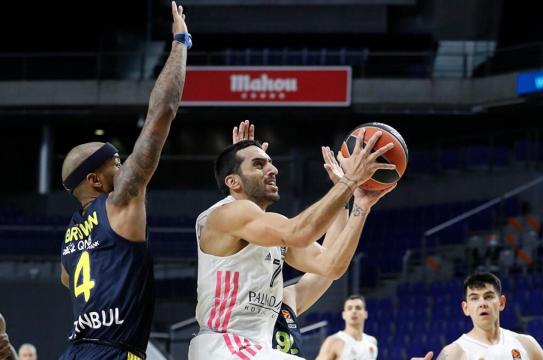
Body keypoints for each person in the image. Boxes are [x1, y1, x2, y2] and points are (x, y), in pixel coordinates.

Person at [188, 121, 395, 359]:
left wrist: (359, 205)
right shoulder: (227, 214)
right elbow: (300, 231)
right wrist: (349, 181)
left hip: (255, 348)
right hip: (224, 345)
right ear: (233, 182)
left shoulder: (270, 231)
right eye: (259, 164)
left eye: (270, 162)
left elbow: (330, 265)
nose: (273, 169)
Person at [57, 3, 189, 359]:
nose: (124, 165)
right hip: (114, 352)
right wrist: (181, 42)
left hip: (74, 350)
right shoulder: (118, 202)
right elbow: (162, 112)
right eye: (117, 162)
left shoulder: (70, 236)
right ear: (95, 180)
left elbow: (67, 280)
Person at [435, 272, 543, 360]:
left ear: (501, 302)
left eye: (488, 296)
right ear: (466, 308)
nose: (482, 304)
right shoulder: (453, 354)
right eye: (474, 298)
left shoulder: (527, 344)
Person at [315, 295, 377, 360]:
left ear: (365, 314)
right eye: (349, 308)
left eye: (358, 308)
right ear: (344, 315)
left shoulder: (372, 341)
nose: (354, 311)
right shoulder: (333, 341)